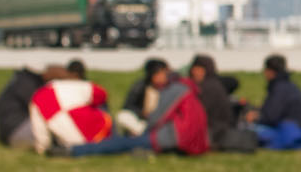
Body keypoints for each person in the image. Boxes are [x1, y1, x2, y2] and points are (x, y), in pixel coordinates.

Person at [52, 62, 209, 158]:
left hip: (171, 138)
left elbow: (157, 118)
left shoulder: (175, 90)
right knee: (129, 142)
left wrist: (144, 130)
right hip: (190, 143)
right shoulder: (189, 90)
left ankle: (74, 150)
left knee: (122, 143)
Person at [241, 53, 301, 149]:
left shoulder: (279, 88)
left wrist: (255, 118)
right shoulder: (289, 85)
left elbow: (271, 117)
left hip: (289, 129)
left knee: (245, 128)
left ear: (270, 72)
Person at [27, 71, 113, 154]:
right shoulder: (72, 85)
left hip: (69, 142)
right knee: (102, 106)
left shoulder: (37, 97)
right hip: (99, 132)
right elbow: (102, 94)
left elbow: (40, 131)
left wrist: (42, 148)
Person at [189, 53, 258, 153]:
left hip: (215, 132)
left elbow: (198, 113)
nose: (194, 72)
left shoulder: (208, 87)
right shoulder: (213, 84)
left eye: (197, 69)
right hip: (221, 129)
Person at [0, 63, 71, 149]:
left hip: (11, 130)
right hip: (16, 131)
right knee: (61, 124)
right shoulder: (27, 84)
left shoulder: (22, 80)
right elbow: (46, 109)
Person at [117, 58, 170, 135]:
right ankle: (145, 134)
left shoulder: (170, 88)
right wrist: (142, 113)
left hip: (162, 122)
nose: (162, 77)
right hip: (143, 122)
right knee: (122, 116)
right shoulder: (140, 86)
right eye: (159, 74)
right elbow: (128, 106)